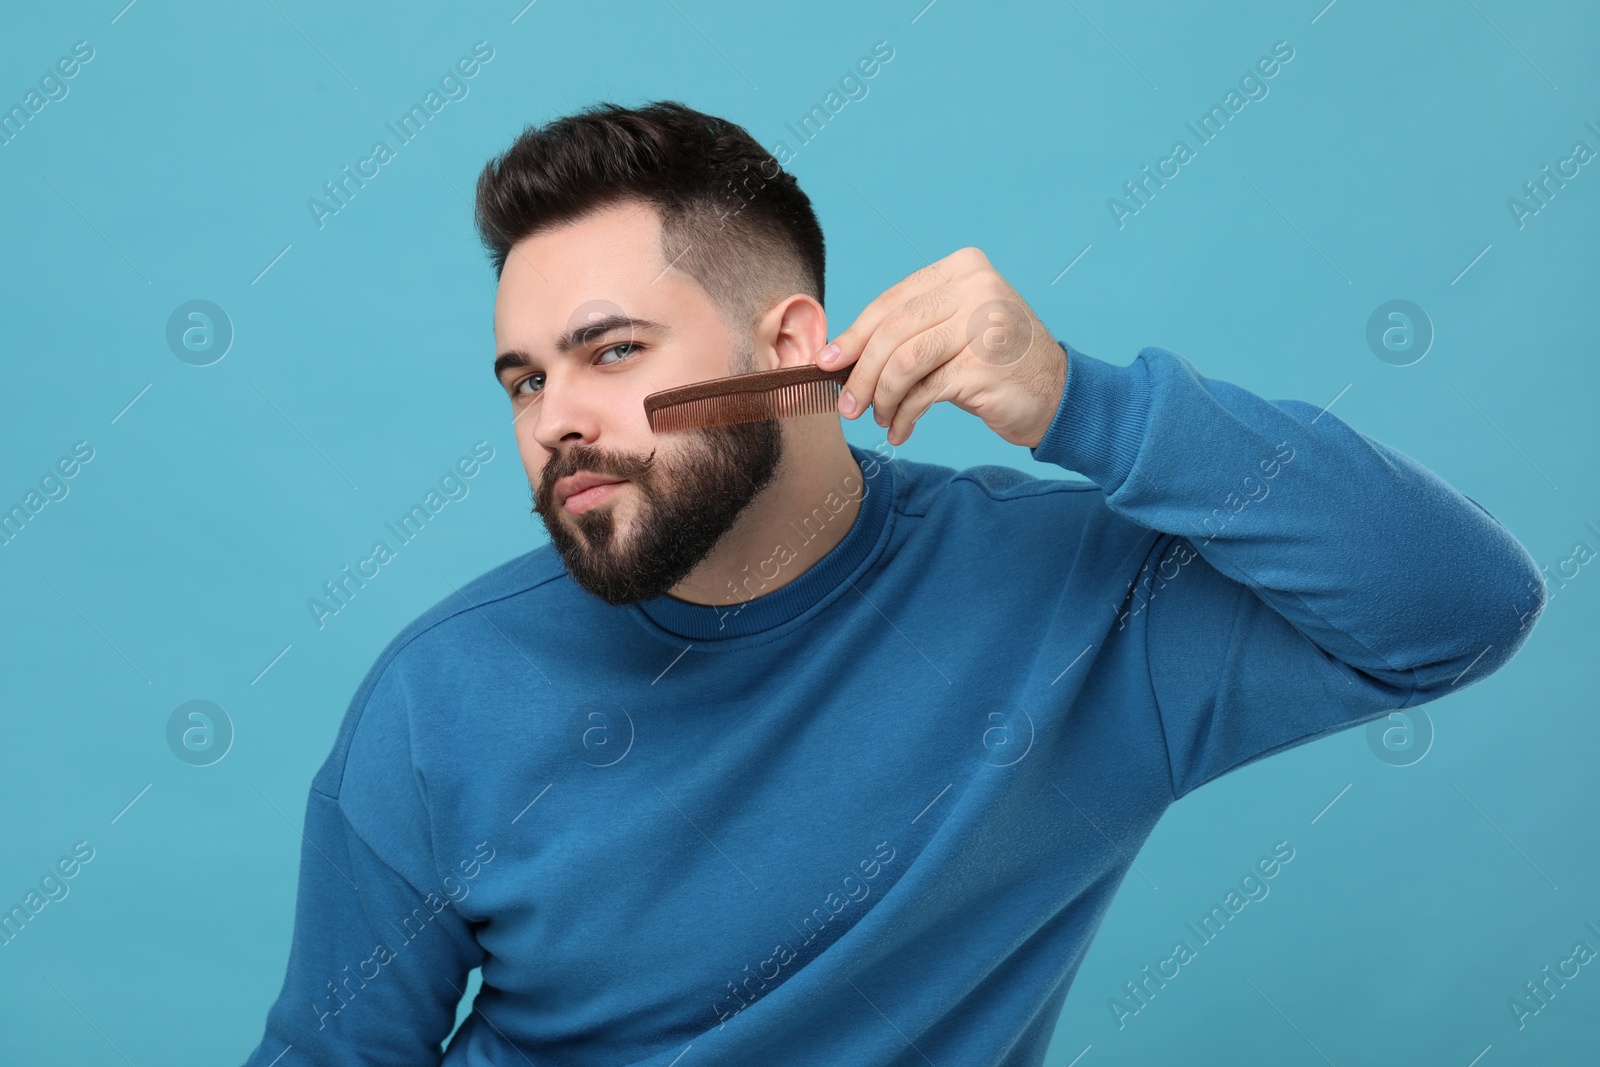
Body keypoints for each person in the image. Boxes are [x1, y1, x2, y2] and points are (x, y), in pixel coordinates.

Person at [242, 101, 1545, 1066]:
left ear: (791, 349)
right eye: (525, 378)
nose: (554, 421)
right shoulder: (441, 697)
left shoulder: (1075, 608)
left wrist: (1081, 405)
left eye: (611, 351)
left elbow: (1458, 606)